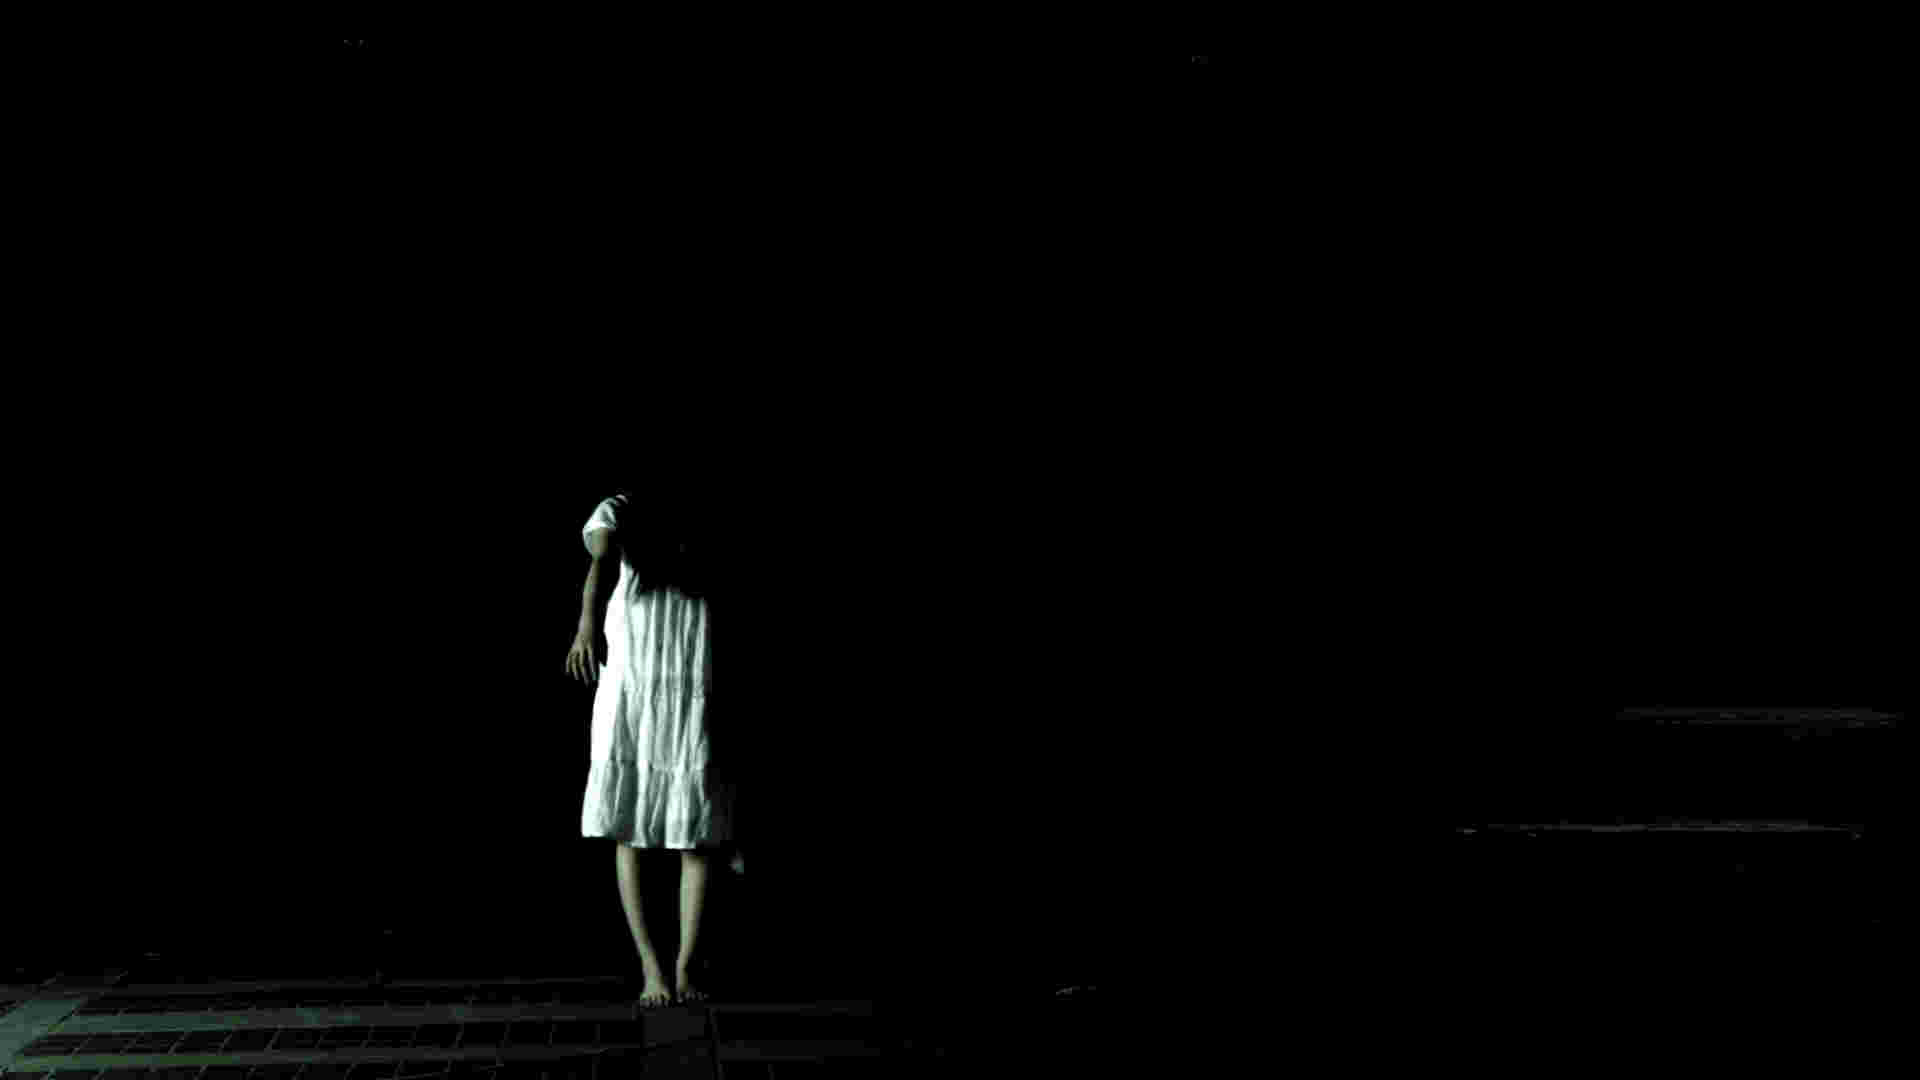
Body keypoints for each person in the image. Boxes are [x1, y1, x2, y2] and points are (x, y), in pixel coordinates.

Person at [568, 490, 737, 1010]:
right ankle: (651, 965)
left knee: (697, 828)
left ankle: (685, 966)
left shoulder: (701, 511)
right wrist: (585, 626)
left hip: (689, 666)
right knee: (630, 824)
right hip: (635, 673)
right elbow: (600, 560)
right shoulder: (620, 507)